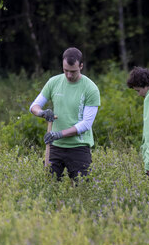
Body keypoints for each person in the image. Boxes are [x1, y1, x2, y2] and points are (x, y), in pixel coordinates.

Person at [29, 47, 101, 181]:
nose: (68, 75)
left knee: (83, 189)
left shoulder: (91, 89)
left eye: (73, 71)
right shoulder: (54, 82)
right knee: (49, 186)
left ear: (81, 66)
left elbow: (86, 124)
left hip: (79, 147)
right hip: (55, 147)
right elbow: (34, 106)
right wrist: (42, 113)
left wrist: (59, 134)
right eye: (65, 70)